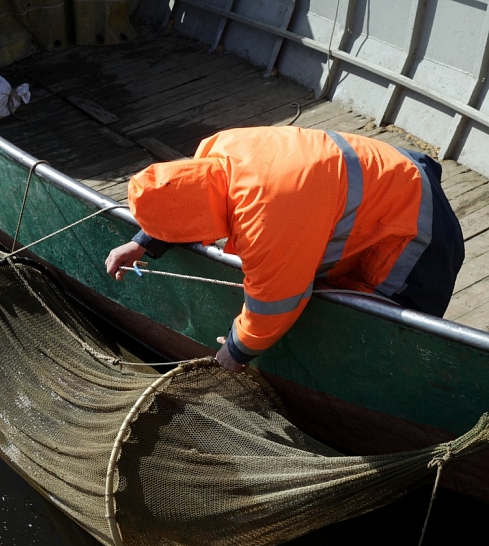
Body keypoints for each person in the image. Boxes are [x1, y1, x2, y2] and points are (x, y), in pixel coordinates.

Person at [104, 126, 464, 373]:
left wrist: (235, 351)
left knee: (387, 332)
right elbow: (189, 197)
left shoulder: (266, 216)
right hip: (385, 174)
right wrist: (143, 242)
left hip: (417, 228)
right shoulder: (217, 149)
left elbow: (276, 302)